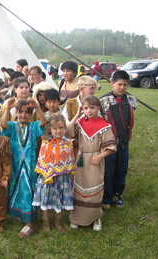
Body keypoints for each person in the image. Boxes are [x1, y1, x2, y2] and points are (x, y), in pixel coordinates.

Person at [67, 95, 116, 231]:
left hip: (95, 160)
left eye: (92, 108)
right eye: (86, 108)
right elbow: (68, 132)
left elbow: (111, 147)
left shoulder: (104, 126)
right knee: (79, 185)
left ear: (98, 108)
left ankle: (95, 217)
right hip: (81, 159)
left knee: (94, 186)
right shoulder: (80, 122)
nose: (89, 111)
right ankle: (77, 217)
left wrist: (100, 156)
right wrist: (77, 115)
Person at [1, 98, 47, 237]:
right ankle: (21, 215)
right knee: (16, 190)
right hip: (15, 166)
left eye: (27, 112)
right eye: (20, 112)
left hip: (29, 166)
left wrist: (38, 108)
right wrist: (7, 109)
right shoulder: (12, 126)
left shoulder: (33, 126)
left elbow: (44, 123)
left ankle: (29, 224)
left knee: (28, 191)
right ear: (16, 113)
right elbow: (3, 125)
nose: (23, 115)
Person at [100, 70, 137, 210]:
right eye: (119, 84)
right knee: (108, 170)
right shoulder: (103, 101)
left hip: (123, 141)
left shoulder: (131, 100)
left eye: (125, 85)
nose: (122, 88)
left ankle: (117, 195)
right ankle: (106, 197)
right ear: (112, 83)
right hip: (109, 143)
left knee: (122, 169)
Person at [33, 114, 76, 233]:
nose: (58, 131)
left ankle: (58, 222)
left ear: (65, 128)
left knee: (60, 201)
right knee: (45, 200)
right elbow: (42, 159)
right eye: (55, 128)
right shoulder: (45, 142)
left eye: (61, 128)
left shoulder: (68, 144)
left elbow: (70, 162)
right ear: (50, 129)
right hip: (47, 178)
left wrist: (70, 176)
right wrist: (46, 173)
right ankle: (45, 222)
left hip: (62, 179)